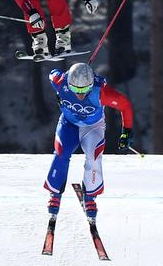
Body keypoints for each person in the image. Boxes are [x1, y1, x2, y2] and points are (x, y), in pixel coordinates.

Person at [43, 62, 134, 221]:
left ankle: (90, 196)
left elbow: (125, 106)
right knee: (60, 154)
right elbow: (52, 73)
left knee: (94, 157)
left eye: (84, 90)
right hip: (68, 123)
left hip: (93, 127)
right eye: (75, 89)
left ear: (91, 85)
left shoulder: (102, 93)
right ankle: (55, 192)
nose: (80, 94)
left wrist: (126, 133)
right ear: (67, 83)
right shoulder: (60, 82)